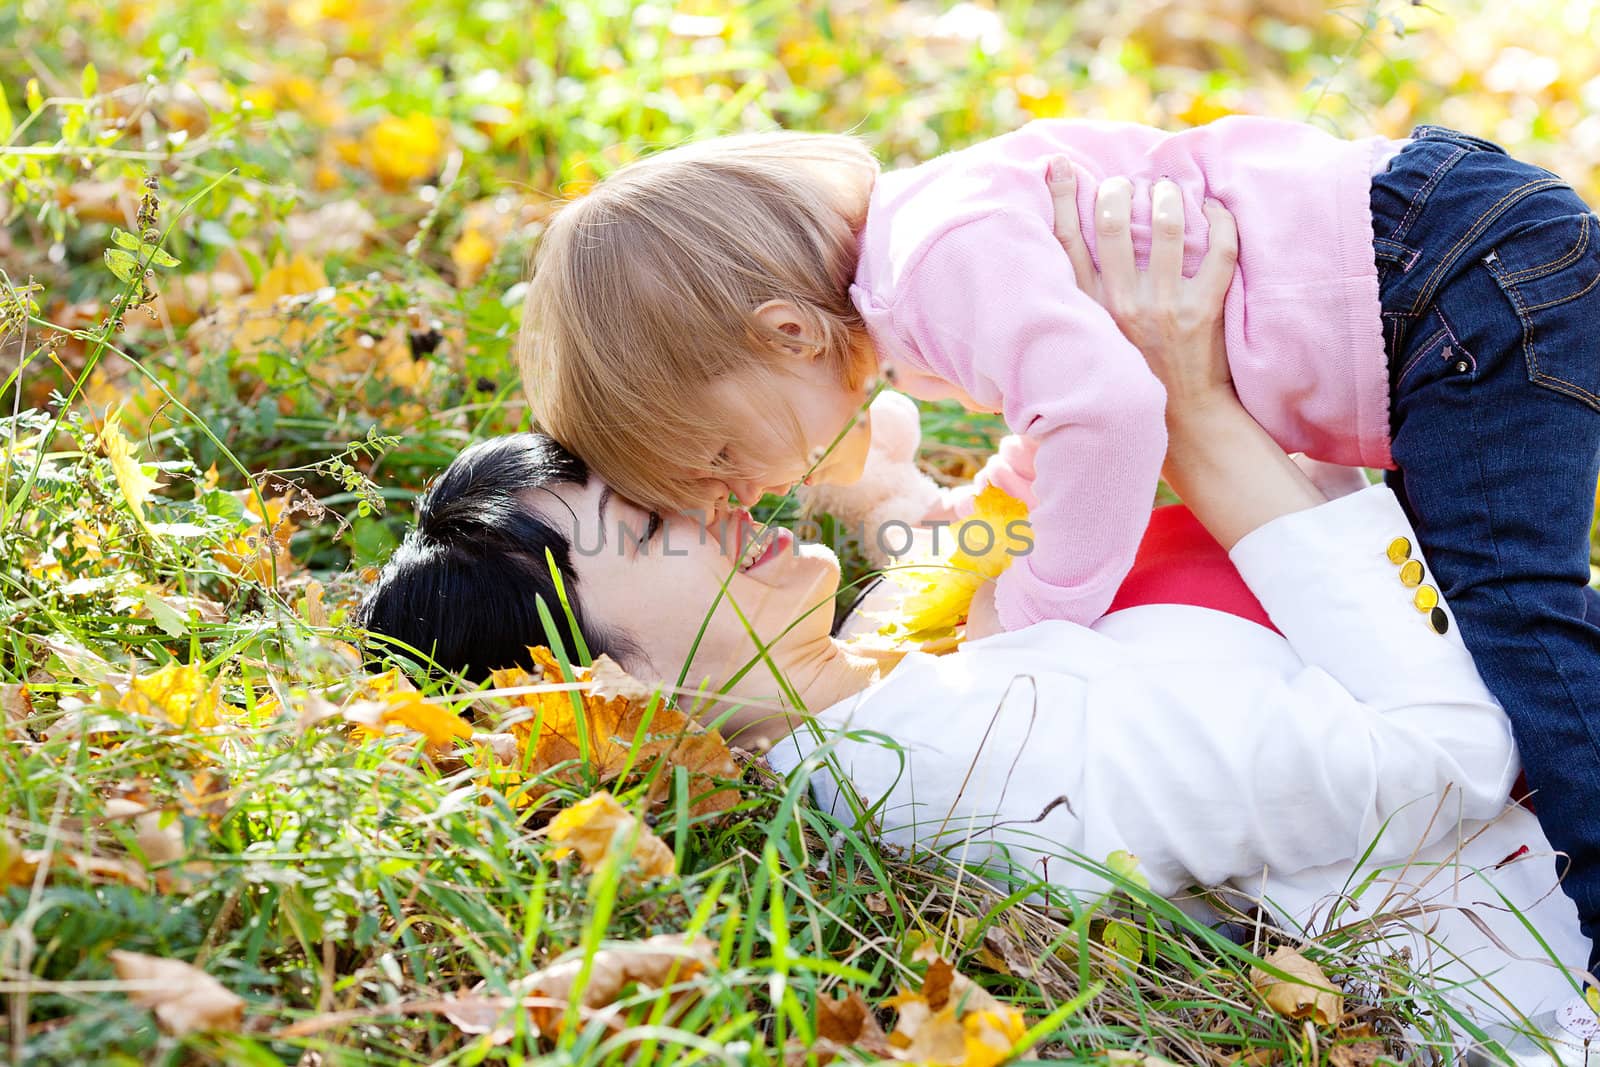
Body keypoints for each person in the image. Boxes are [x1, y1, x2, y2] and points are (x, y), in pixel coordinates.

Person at [364, 197, 1595, 1055]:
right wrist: (1197, 407)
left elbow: (965, 573)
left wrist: (869, 487)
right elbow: (1448, 755)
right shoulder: (954, 765)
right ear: (600, 691)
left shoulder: (865, 716)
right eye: (645, 522)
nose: (711, 499)